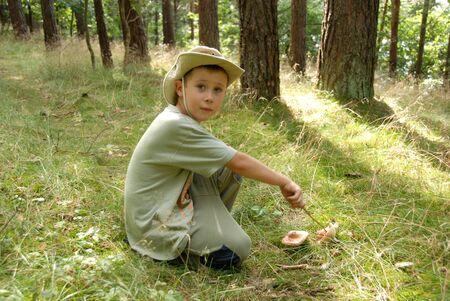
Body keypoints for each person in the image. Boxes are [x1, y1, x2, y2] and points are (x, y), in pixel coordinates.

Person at [124, 46, 305, 270]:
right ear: (180, 88)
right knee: (236, 248)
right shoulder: (175, 125)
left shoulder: (181, 119)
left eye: (218, 90)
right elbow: (238, 161)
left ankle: (211, 226)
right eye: (201, 87)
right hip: (153, 223)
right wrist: (284, 181)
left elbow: (230, 161)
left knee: (225, 165)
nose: (209, 97)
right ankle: (168, 248)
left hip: (168, 200)